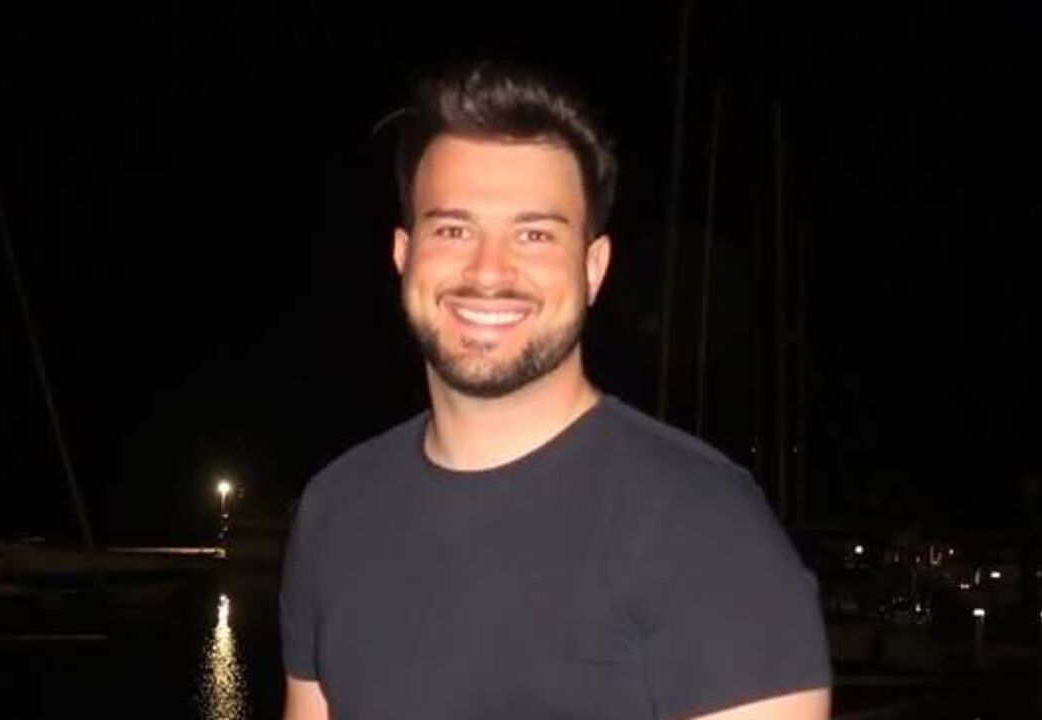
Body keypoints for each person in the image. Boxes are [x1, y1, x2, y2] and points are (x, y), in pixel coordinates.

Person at [280, 61, 832, 720]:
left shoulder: (705, 527)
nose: (489, 272)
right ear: (404, 256)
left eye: (534, 234)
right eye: (453, 229)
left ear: (593, 268)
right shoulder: (335, 509)